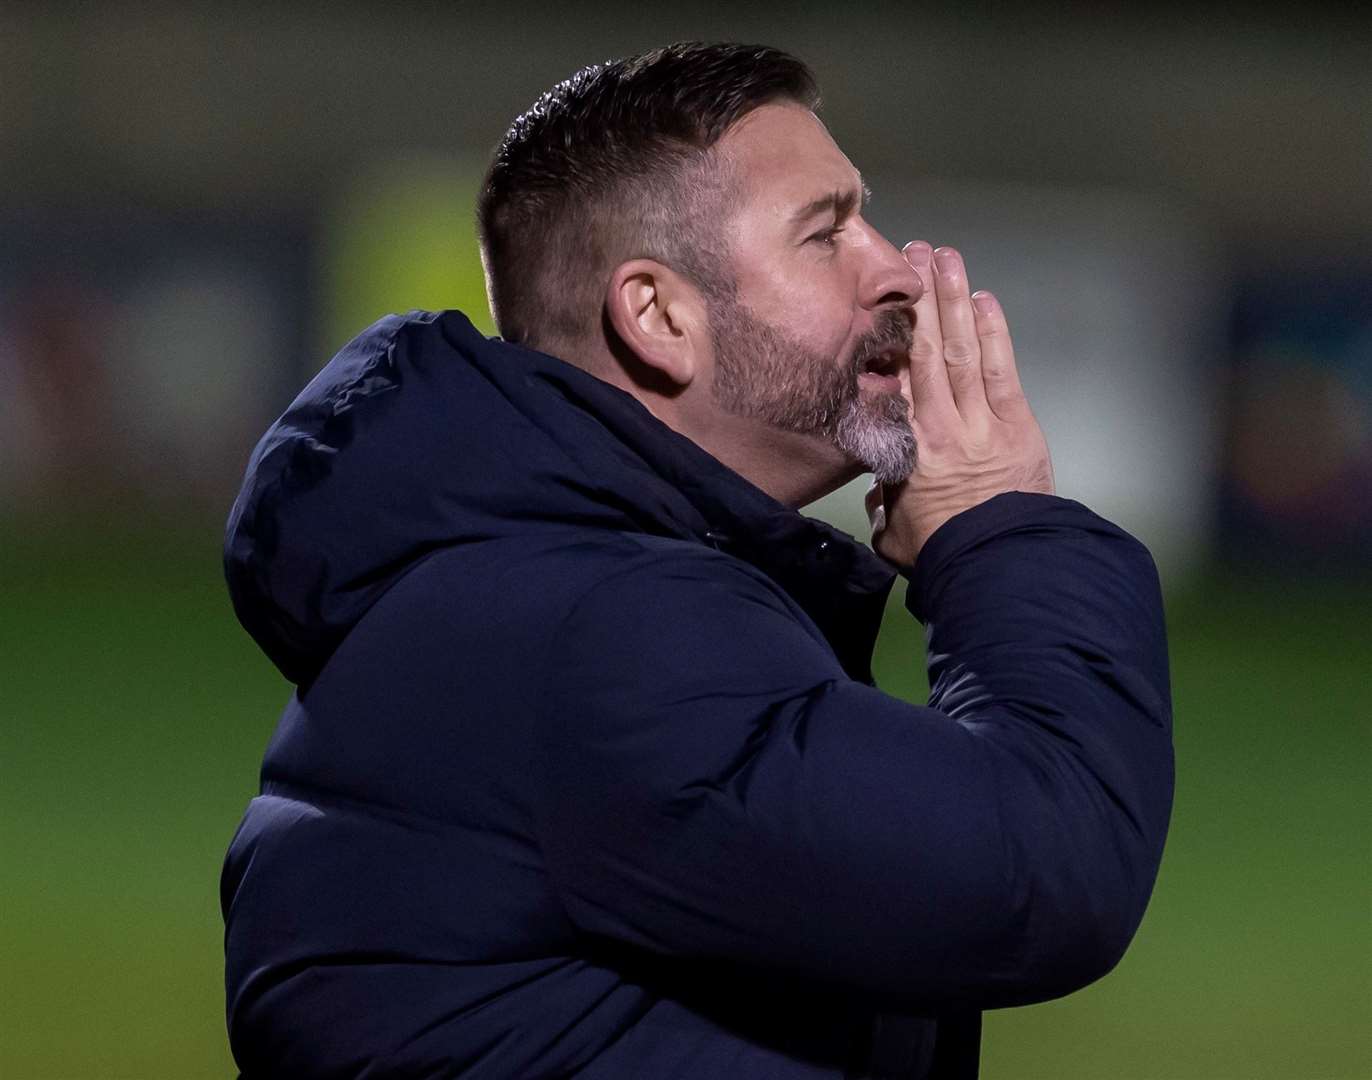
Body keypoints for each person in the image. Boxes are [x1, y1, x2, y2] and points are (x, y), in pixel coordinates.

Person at [221, 42, 1173, 1079]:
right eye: (826, 234)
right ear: (659, 317)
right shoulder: (602, 631)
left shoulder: (534, 583)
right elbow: (1038, 869)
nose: (895, 267)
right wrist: (999, 528)